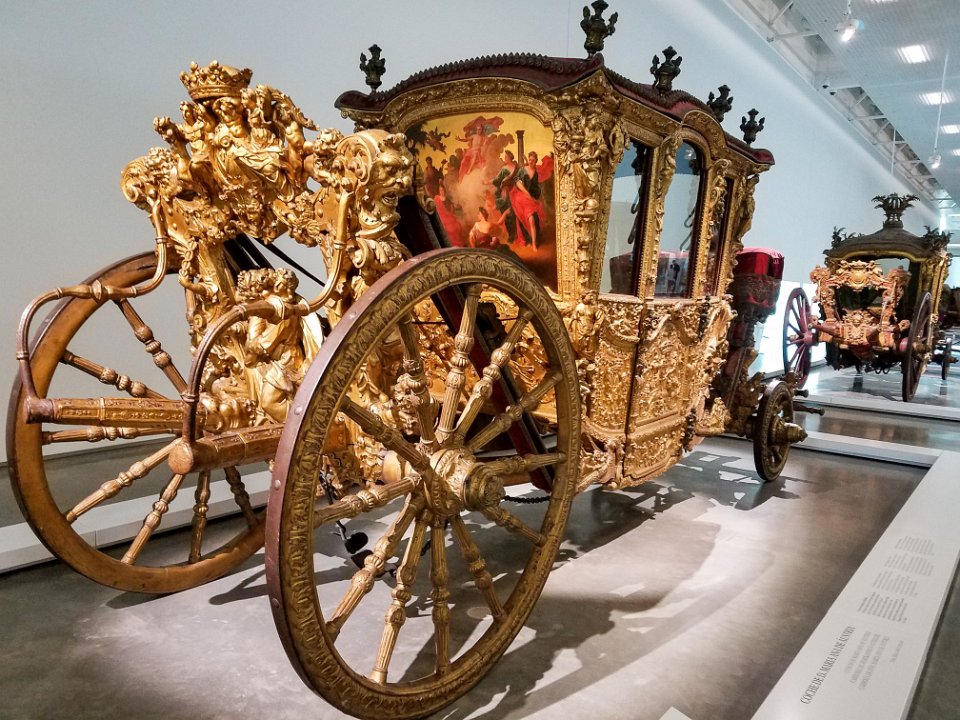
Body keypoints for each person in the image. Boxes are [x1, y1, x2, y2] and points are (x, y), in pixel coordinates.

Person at [492, 149, 542, 249]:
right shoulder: (523, 170)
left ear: (536, 161)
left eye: (533, 160)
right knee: (517, 214)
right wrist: (526, 193)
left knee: (532, 219)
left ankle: (533, 242)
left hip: (528, 199)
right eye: (530, 160)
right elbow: (518, 182)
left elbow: (534, 187)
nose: (531, 162)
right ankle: (523, 238)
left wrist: (533, 195)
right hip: (519, 195)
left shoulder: (535, 173)